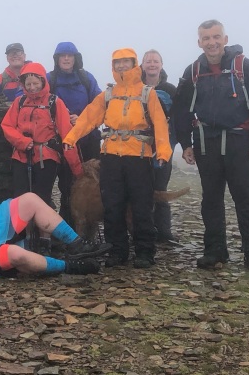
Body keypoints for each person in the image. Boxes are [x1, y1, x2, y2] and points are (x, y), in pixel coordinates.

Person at [172, 20, 249, 271]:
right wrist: (186, 143)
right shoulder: (193, 71)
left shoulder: (243, 66)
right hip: (207, 143)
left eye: (216, 37)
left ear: (225, 39)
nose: (211, 42)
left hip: (241, 142)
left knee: (246, 198)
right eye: (206, 38)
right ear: (199, 42)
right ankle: (215, 251)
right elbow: (182, 111)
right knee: (211, 200)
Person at [64, 49, 171, 268]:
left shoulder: (147, 93)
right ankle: (116, 251)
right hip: (111, 157)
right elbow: (89, 117)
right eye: (117, 62)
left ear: (134, 64)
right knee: (112, 205)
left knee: (141, 205)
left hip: (139, 158)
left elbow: (160, 124)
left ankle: (144, 252)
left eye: (126, 62)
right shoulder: (108, 94)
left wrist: (163, 152)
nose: (122, 66)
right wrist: (71, 137)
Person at [0, 62, 81, 205]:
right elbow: (7, 126)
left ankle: (43, 226)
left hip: (47, 156)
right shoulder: (20, 101)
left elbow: (67, 135)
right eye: (28, 84)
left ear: (43, 81)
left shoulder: (54, 102)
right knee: (20, 197)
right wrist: (22, 141)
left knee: (42, 197)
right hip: (21, 155)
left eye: (35, 83)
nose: (32, 88)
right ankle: (23, 228)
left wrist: (76, 168)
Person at [48, 42, 103, 223]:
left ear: (75, 58)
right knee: (66, 184)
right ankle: (68, 225)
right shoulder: (49, 79)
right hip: (61, 140)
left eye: (69, 55)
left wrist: (81, 119)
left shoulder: (86, 78)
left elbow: (99, 104)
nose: (66, 58)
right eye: (62, 55)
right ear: (56, 59)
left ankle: (90, 225)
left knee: (91, 183)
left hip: (88, 139)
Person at [140, 49, 179, 243]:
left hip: (164, 145)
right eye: (148, 61)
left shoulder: (170, 89)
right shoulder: (135, 87)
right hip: (139, 145)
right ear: (143, 65)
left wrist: (175, 141)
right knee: (140, 188)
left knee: (160, 186)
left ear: (161, 65)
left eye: (155, 61)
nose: (152, 64)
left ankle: (164, 231)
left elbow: (179, 117)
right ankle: (143, 229)